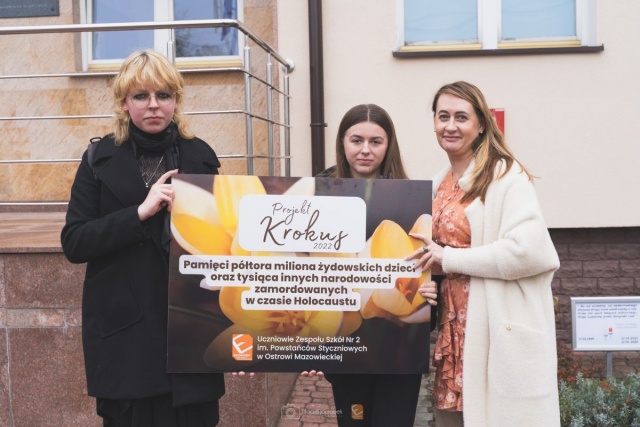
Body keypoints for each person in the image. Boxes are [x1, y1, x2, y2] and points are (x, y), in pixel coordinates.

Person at [61, 49, 224, 426]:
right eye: (141, 95)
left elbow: (221, 244)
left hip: (190, 331)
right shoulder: (98, 159)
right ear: (124, 103)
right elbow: (75, 241)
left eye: (163, 95)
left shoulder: (201, 156)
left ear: (176, 101)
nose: (153, 105)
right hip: (126, 336)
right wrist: (139, 212)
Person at [408, 81, 561, 427]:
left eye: (461, 117)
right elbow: (436, 255)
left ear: (480, 125)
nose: (450, 126)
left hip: (492, 328)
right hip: (454, 330)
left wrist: (448, 259)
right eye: (443, 116)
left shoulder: (505, 176)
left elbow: (531, 253)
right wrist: (429, 279)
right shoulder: (439, 184)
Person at [304, 104, 438, 427]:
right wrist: (309, 344)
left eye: (376, 141)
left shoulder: (411, 197)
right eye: (356, 140)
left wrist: (433, 292)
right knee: (354, 421)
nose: (365, 150)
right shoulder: (316, 193)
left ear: (389, 145)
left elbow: (429, 262)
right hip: (345, 346)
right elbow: (302, 268)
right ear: (342, 142)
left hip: (397, 349)